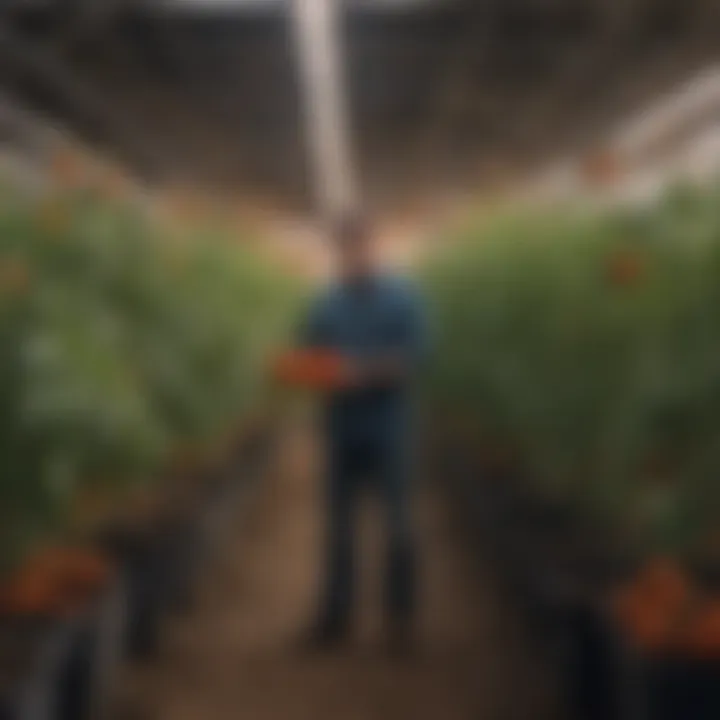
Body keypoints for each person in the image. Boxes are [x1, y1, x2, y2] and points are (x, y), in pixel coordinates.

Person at [299, 213, 429, 652]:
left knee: (398, 526)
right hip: (341, 430)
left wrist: (360, 373)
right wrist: (304, 369)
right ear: (339, 253)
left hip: (388, 429)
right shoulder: (327, 302)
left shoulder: (402, 299)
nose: (353, 257)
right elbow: (309, 354)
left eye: (360, 248)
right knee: (339, 529)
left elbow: (414, 360)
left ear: (375, 247)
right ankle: (336, 619)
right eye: (346, 250)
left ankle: (401, 624)